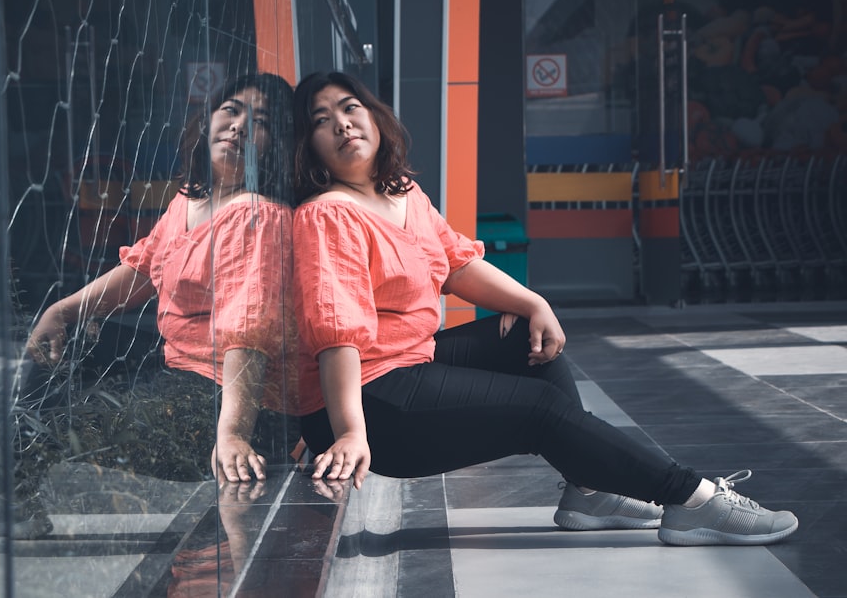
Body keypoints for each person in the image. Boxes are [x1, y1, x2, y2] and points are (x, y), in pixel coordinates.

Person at [289, 70, 798, 546]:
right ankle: (692, 497)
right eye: (321, 120)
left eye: (350, 107)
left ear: (376, 118)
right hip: (369, 400)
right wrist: (351, 430)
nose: (342, 123)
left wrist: (536, 303)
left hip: (410, 360)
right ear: (310, 147)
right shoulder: (327, 216)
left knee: (525, 340)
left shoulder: (402, 192)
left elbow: (457, 265)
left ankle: (590, 490)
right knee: (540, 410)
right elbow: (338, 332)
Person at [0, 73, 300, 552]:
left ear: (276, 144)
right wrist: (61, 311)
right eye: (230, 110)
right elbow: (147, 267)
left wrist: (231, 432)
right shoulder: (192, 201)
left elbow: (247, 334)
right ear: (205, 120)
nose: (238, 127)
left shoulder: (258, 215)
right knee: (30, 390)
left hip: (228, 401)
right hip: (179, 377)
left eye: (261, 121)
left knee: (61, 432)